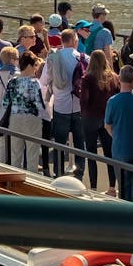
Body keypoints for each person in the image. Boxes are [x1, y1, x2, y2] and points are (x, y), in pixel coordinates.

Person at [105, 66, 133, 202]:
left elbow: (107, 125)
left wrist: (117, 136)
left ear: (119, 79)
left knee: (124, 189)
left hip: (121, 149)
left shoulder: (113, 101)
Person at [42, 30, 84, 176]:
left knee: (59, 143)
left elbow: (45, 80)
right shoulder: (83, 58)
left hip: (60, 106)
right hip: (79, 106)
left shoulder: (53, 57)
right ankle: (79, 175)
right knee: (79, 145)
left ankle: (59, 174)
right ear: (74, 40)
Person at [77, 50, 119, 194]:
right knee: (109, 154)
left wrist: (83, 113)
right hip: (107, 118)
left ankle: (94, 187)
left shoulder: (87, 78)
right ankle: (112, 187)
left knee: (91, 154)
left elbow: (84, 100)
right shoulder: (113, 77)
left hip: (90, 118)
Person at [4, 51, 47, 173]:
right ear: (29, 66)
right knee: (32, 153)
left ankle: (14, 181)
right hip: (31, 119)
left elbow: (5, 102)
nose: (35, 69)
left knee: (16, 153)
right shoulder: (34, 83)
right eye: (35, 66)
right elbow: (40, 104)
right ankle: (31, 181)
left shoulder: (12, 82)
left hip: (15, 118)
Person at [0, 46, 19, 163]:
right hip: (13, 114)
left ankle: (2, 166)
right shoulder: (17, 74)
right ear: (13, 59)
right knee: (16, 146)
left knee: (1, 145)